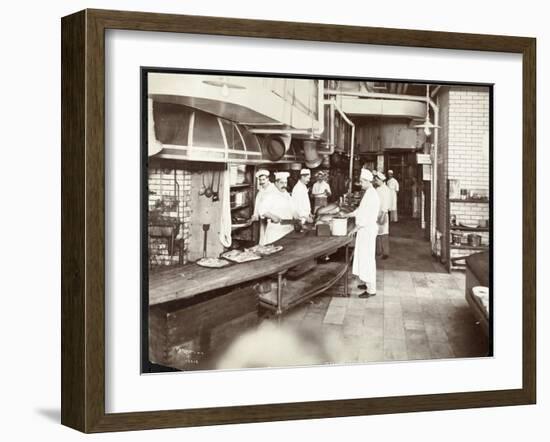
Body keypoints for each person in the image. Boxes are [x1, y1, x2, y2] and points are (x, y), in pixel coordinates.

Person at [342, 168, 380, 298]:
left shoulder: (372, 194)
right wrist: (349, 214)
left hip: (367, 230)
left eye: (362, 182)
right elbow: (361, 210)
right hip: (365, 230)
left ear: (367, 181)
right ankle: (366, 282)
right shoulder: (368, 193)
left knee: (367, 259)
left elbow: (366, 217)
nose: (360, 184)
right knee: (363, 257)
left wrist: (355, 228)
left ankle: (371, 289)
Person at [256, 171, 297, 245]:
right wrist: (273, 216)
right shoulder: (271, 195)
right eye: (282, 183)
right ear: (276, 183)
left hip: (288, 229)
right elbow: (261, 210)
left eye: (285, 183)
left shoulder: (287, 194)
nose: (284, 185)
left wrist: (297, 217)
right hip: (275, 231)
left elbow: (293, 209)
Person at [251, 169, 277, 244]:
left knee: (272, 238)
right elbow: (257, 204)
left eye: (263, 179)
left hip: (272, 218)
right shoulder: (261, 191)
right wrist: (255, 215)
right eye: (260, 180)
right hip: (263, 219)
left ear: (268, 179)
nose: (262, 181)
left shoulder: (273, 189)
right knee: (263, 238)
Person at [373, 171, 391, 259]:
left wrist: (383, 214)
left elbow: (386, 203)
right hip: (377, 212)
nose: (376, 182)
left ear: (381, 180)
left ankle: (385, 253)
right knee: (377, 233)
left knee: (384, 233)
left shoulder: (386, 190)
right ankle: (378, 251)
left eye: (377, 180)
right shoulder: (378, 189)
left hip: (383, 213)